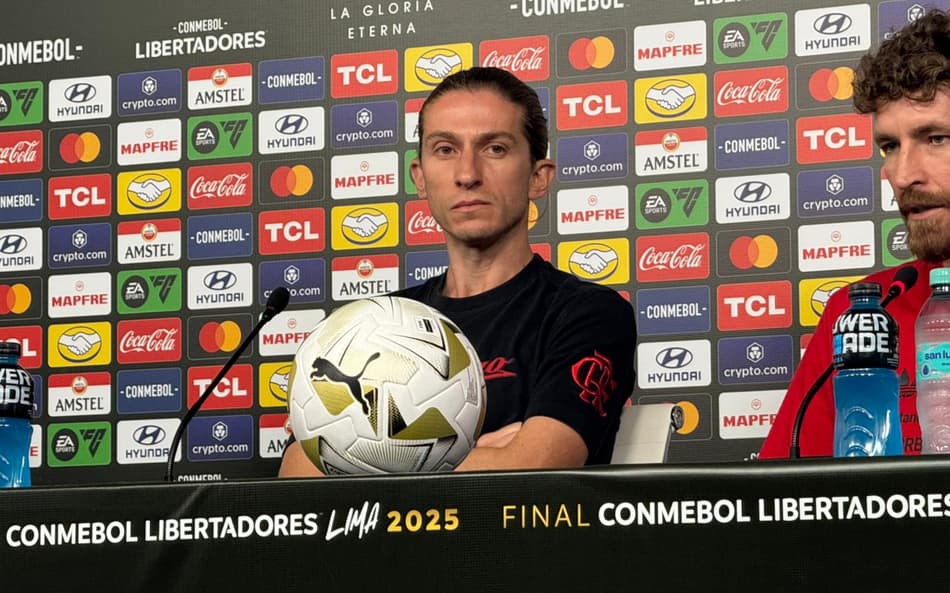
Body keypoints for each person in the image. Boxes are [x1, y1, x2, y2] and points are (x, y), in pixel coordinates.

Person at [280, 67, 636, 475]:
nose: (468, 174)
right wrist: (481, 455)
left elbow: (535, 465)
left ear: (538, 177)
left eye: (495, 149)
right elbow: (298, 473)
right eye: (445, 149)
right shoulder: (372, 323)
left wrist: (372, 464)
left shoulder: (588, 315)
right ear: (421, 178)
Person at [760, 9, 950, 459]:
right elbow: (785, 493)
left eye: (936, 138)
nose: (901, 175)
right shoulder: (862, 315)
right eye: (890, 146)